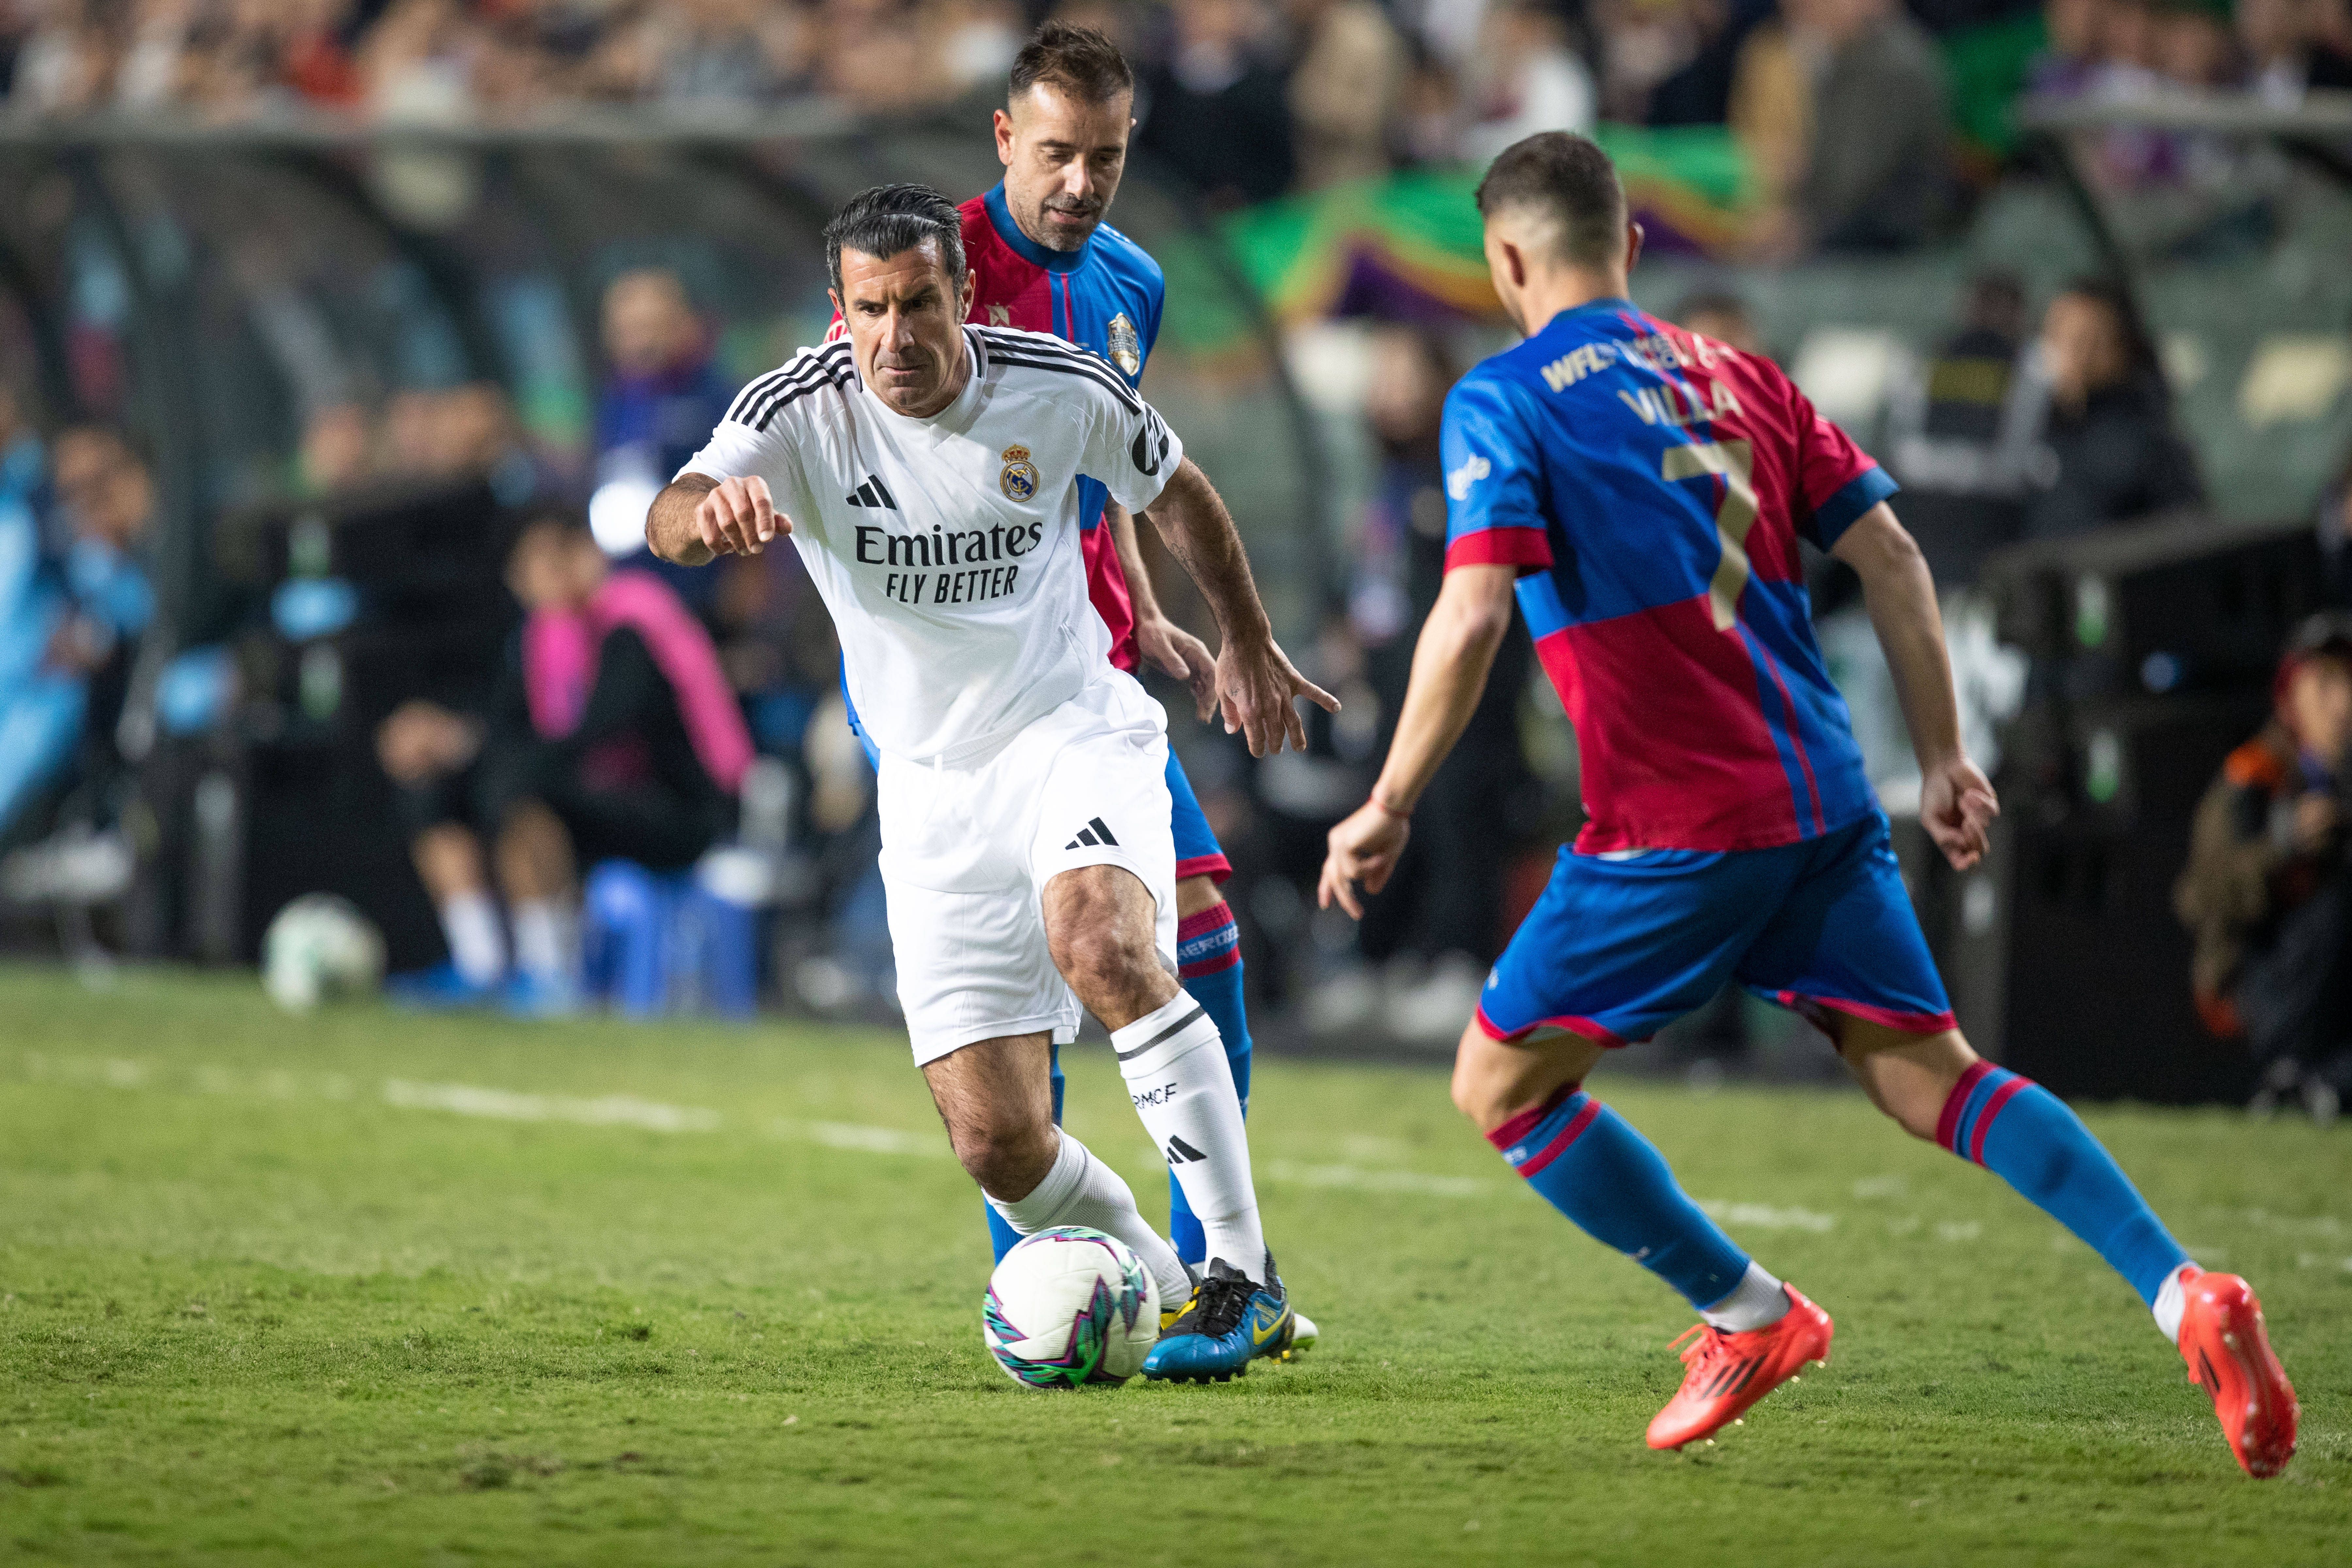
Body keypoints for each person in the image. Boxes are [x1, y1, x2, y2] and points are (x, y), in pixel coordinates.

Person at [1316, 132, 2297, 1475]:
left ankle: (1748, 1312)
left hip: (1673, 825)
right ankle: (2188, 1291)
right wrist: (1947, 757)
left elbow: (1474, 607)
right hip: (1825, 804)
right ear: (1635, 247)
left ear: (1504, 260)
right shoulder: (1745, 374)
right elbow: (1891, 553)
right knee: (1937, 1082)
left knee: (1500, 1083)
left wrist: (1388, 797)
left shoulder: (1504, 398)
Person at [648, 182, 1333, 1382]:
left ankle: (1238, 1274)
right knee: (995, 1141)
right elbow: (669, 509)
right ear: (837, 307)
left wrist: (1243, 637)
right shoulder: (796, 409)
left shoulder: (1056, 384)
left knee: (1105, 946)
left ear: (963, 292)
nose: (896, 337)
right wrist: (710, 517)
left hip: (1070, 728)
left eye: (920, 303)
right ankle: (1165, 1291)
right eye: (870, 309)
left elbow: (1178, 491)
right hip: (927, 788)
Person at [824, 23, 1300, 1324]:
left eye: (1107, 157)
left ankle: (1223, 1273)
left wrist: (1145, 606)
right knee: (1043, 985)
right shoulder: (934, 272)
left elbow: (1109, 464)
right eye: (1056, 156)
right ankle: (1052, 1265)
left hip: (1081, 674)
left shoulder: (1131, 280)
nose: (1081, 184)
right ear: (1003, 142)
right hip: (954, 707)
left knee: (1183, 937)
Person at [381, 513, 750, 1014]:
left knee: (521, 788)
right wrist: (448, 741)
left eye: (554, 557)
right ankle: (480, 964)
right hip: (609, 797)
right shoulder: (545, 637)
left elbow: (603, 727)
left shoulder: (634, 619)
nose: (543, 575)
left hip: (687, 809)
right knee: (434, 792)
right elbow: (515, 728)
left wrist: (483, 752)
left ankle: (550, 971)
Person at [2177, 616, 2352, 1125]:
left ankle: (2322, 1087)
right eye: (2324, 683)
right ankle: (2296, 1074)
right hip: (2263, 983)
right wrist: (2285, 845)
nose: (2342, 703)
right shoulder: (2255, 777)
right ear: (2290, 697)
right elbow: (2199, 897)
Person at [2023, 278, 2202, 540]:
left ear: (2122, 348)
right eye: (2057, 337)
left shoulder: (2146, 441)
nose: (2068, 356)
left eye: (2086, 342)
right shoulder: (2036, 429)